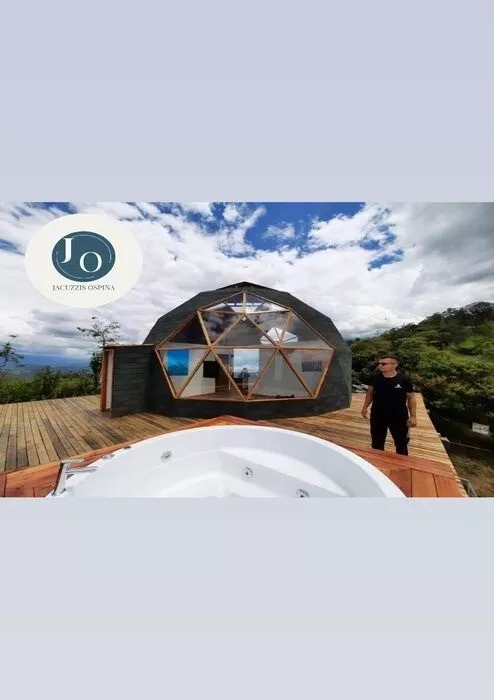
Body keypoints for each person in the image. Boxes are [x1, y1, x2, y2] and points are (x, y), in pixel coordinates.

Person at [360, 356, 417, 456]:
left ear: (394, 365)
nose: (380, 366)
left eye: (383, 364)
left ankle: (402, 463)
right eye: (379, 363)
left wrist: (413, 416)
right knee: (376, 443)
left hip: (398, 416)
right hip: (378, 414)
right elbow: (370, 393)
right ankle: (377, 462)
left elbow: (411, 398)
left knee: (401, 443)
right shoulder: (375, 378)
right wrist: (365, 407)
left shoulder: (404, 380)